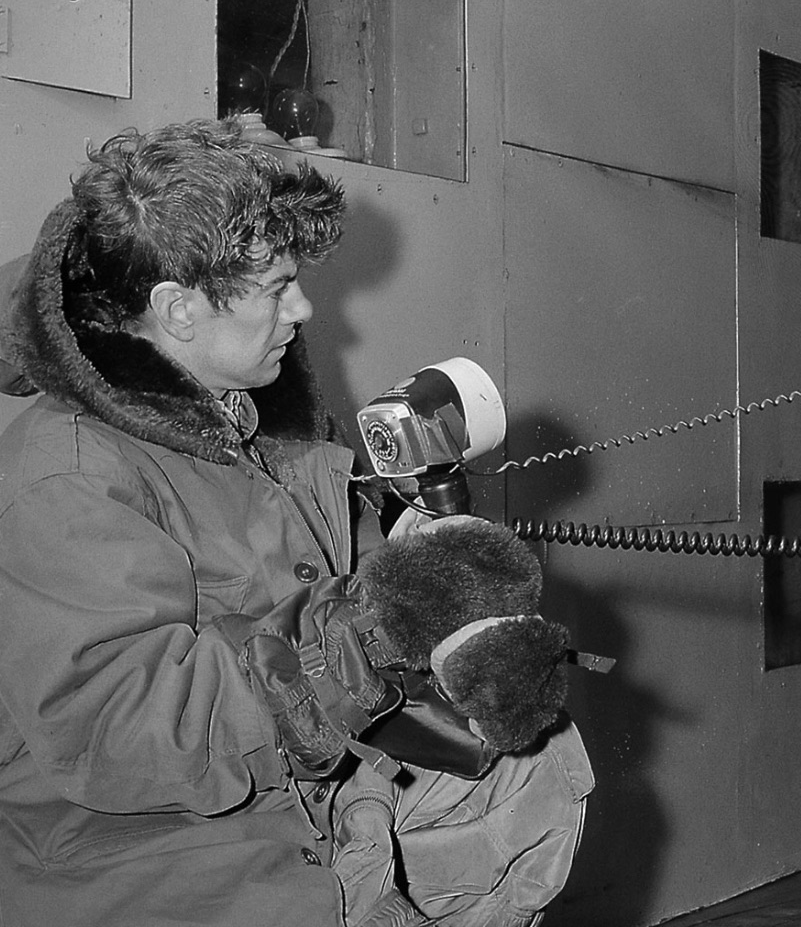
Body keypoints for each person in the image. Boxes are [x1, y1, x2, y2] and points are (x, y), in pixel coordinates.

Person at [0, 118, 593, 927]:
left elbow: (341, 587)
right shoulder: (67, 477)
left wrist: (428, 589)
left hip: (309, 797)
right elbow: (127, 731)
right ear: (176, 310)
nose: (305, 307)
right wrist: (375, 628)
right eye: (278, 287)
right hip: (165, 861)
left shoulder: (255, 428)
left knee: (531, 761)